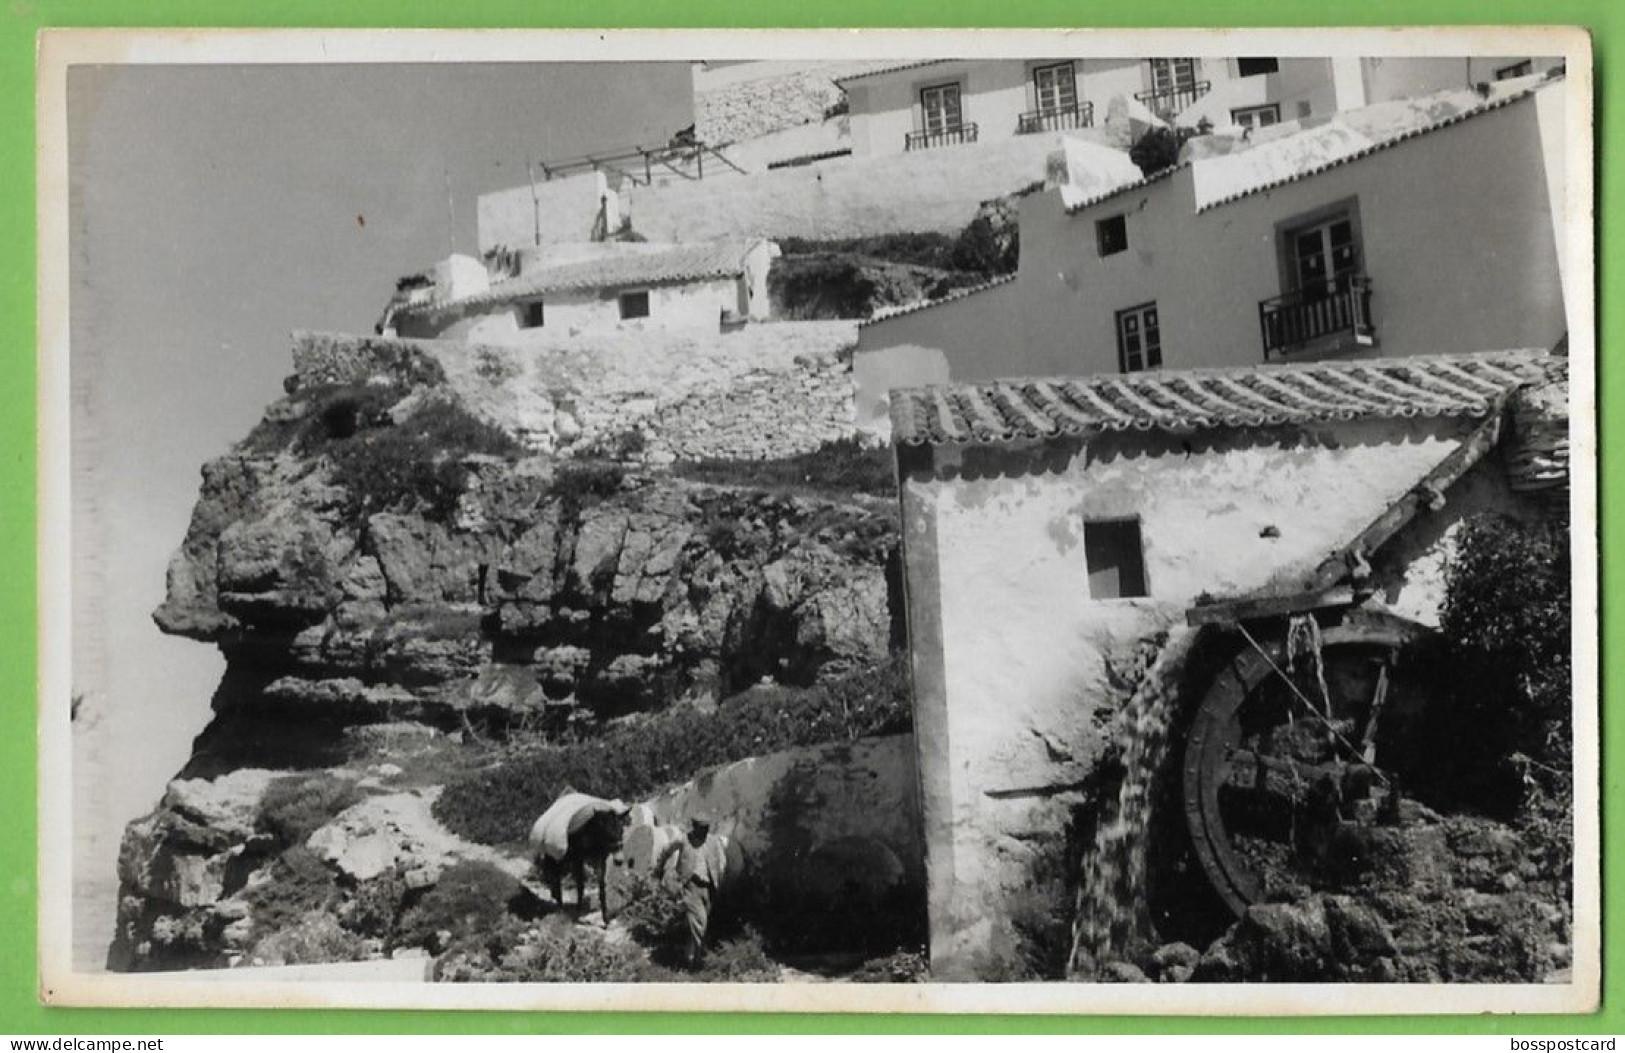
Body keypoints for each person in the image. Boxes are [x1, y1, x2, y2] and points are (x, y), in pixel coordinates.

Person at [656, 815, 728, 967]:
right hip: (690, 886)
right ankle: (702, 960)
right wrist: (660, 868)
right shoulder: (683, 840)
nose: (704, 831)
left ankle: (689, 958)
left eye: (706, 828)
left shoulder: (714, 841)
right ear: (694, 827)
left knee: (698, 923)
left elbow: (722, 861)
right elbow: (666, 850)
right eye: (701, 828)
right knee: (699, 921)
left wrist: (719, 877)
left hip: (709, 887)